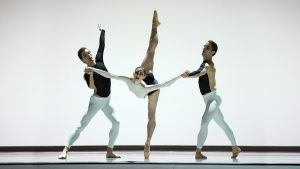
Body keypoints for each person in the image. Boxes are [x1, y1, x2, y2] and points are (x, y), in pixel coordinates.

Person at [87, 10, 186, 159]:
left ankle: (148, 141)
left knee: (151, 115)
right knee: (150, 50)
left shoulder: (149, 86)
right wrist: (93, 69)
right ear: (134, 74)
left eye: (141, 72)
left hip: (152, 89)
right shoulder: (129, 79)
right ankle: (154, 26)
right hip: (146, 84)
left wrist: (180, 76)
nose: (139, 72)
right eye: (137, 71)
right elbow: (110, 75)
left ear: (143, 76)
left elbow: (165, 85)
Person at [58, 25, 121, 159]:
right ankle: (65, 150)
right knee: (81, 126)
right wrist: (91, 73)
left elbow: (101, 45)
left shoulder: (99, 60)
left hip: (107, 100)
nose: (89, 55)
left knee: (116, 123)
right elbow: (92, 87)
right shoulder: (86, 74)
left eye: (89, 52)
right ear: (83, 60)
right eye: (85, 55)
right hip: (96, 102)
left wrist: (103, 31)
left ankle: (109, 151)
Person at [183, 40, 241, 159]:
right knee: (222, 124)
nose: (204, 48)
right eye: (204, 46)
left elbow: (199, 73)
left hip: (213, 99)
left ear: (212, 52)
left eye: (207, 47)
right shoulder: (204, 63)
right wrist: (189, 75)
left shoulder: (208, 66)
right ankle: (235, 148)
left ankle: (198, 151)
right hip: (208, 100)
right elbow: (199, 71)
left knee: (204, 121)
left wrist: (188, 75)